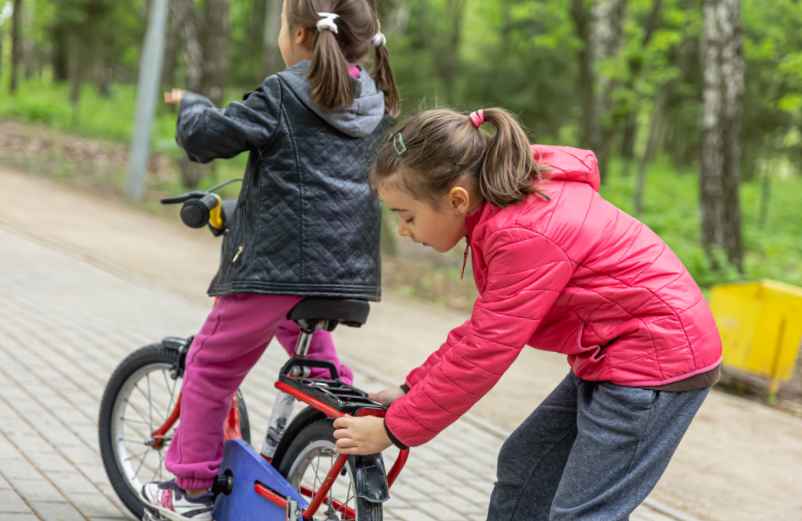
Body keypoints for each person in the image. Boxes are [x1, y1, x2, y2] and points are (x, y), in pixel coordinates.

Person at [333, 107, 721, 521]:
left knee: (583, 514)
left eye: (407, 216)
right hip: (616, 353)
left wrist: (393, 430)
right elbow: (483, 332)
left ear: (457, 199)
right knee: (526, 470)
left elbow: (483, 354)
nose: (403, 230)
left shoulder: (523, 232)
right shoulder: (505, 211)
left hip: (655, 362)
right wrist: (412, 389)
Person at [142, 1, 399, 519]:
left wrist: (192, 105)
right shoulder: (375, 102)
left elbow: (206, 137)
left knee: (210, 364)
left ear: (301, 35)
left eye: (282, 24)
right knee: (311, 356)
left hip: (277, 269)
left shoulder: (284, 92)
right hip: (346, 274)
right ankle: (330, 422)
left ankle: (190, 489)